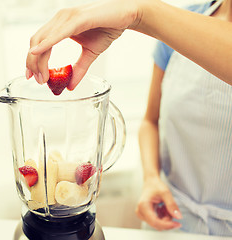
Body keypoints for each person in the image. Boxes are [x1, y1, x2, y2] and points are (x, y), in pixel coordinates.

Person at [25, 0, 232, 236]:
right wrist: (152, 179)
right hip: (173, 217)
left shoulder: (173, 24)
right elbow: (150, 122)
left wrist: (139, 12)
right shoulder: (185, 22)